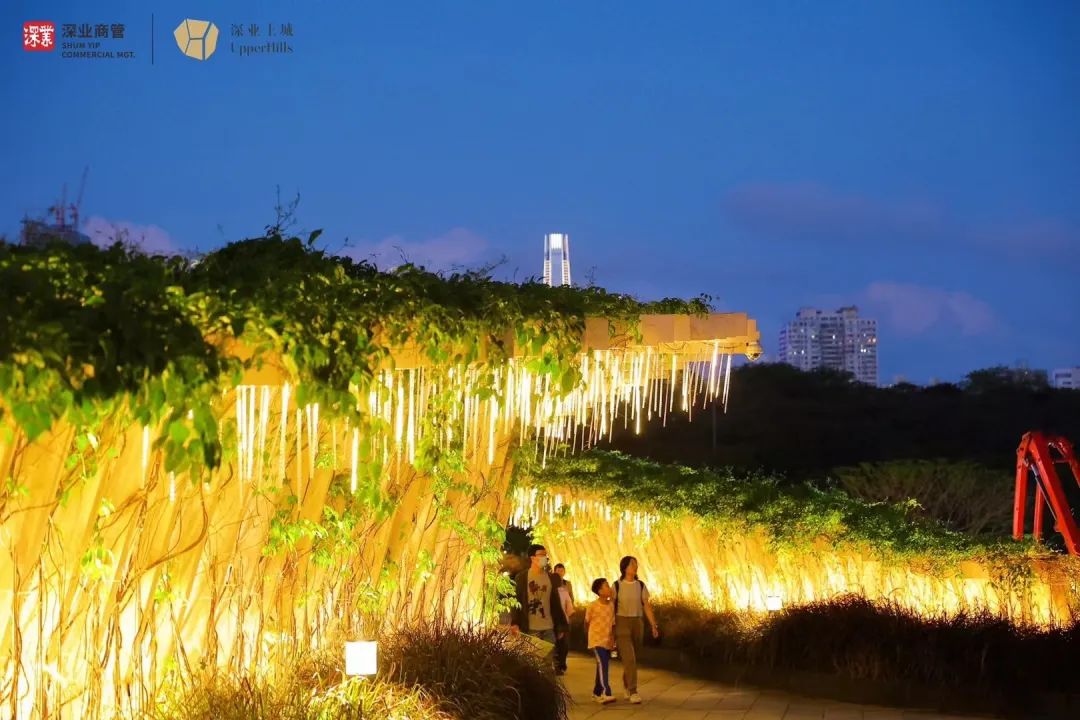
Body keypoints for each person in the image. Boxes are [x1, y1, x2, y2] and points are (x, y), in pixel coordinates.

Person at [511, 544, 568, 672]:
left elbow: (556, 603)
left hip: (548, 628)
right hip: (530, 629)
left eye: (545, 556)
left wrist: (561, 625)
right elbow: (517, 601)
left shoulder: (552, 578)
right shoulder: (522, 577)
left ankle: (548, 691)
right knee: (532, 666)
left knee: (547, 666)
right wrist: (515, 622)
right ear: (532, 558)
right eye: (541, 555)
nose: (545, 558)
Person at [613, 555, 659, 704]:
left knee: (634, 657)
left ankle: (627, 684)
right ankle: (633, 691)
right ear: (624, 567)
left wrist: (653, 625)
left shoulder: (640, 585)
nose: (635, 566)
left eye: (636, 564)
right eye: (632, 564)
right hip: (621, 622)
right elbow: (610, 607)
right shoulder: (617, 585)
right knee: (629, 658)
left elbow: (646, 605)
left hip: (637, 622)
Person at [584, 577, 617, 704]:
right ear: (599, 591)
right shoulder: (592, 606)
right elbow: (586, 622)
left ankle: (596, 692)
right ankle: (605, 692)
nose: (609, 588)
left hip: (607, 640)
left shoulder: (611, 606)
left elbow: (613, 624)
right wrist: (590, 636)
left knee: (601, 665)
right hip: (596, 640)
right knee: (603, 663)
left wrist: (613, 640)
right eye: (606, 586)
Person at [553, 572, 575, 674]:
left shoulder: (548, 591)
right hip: (563, 623)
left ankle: (557, 665)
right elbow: (570, 609)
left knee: (554, 646)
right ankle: (560, 664)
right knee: (563, 646)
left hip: (551, 623)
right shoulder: (564, 592)